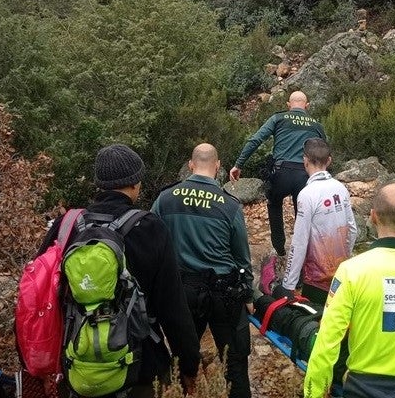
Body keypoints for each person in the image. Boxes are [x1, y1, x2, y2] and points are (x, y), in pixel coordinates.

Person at [38, 145, 200, 398]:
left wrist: (43, 364)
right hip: (140, 368)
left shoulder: (66, 226)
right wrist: (188, 365)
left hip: (78, 365)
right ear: (135, 184)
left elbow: (40, 295)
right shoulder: (150, 228)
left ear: (99, 184)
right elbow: (173, 307)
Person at [303, 183, 395, 398]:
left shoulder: (351, 272)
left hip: (364, 390)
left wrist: (314, 392)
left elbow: (328, 340)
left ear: (373, 217)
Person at [152, 143, 253, 398]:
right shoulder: (229, 205)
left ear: (190, 165)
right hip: (224, 294)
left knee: (182, 361)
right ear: (218, 166)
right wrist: (249, 294)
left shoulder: (166, 199)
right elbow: (241, 255)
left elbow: (152, 242)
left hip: (182, 292)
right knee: (235, 363)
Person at [229, 90, 326, 257]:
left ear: (288, 105)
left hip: (280, 173)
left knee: (274, 204)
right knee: (302, 213)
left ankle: (280, 250)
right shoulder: (316, 125)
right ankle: (303, 253)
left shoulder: (278, 118)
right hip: (304, 175)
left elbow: (255, 140)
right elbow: (324, 151)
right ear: (307, 106)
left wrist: (238, 164)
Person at [272, 138, 357, 305]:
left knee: (317, 324)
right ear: (329, 161)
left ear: (305, 161)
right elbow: (352, 230)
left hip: (317, 279)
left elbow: (299, 242)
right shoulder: (341, 188)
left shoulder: (307, 194)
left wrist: (289, 284)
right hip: (342, 275)